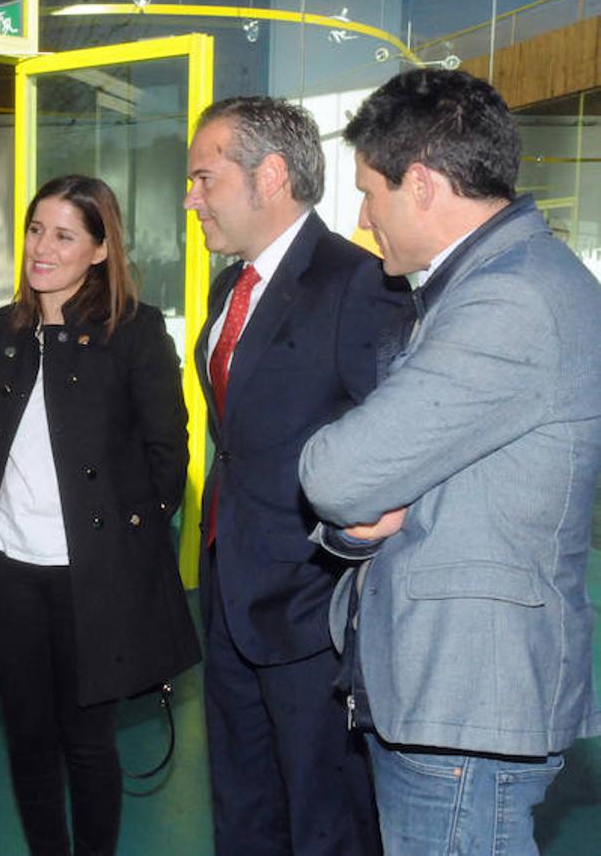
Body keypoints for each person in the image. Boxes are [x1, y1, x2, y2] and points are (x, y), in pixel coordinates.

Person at [300, 68, 601, 855]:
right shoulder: (486, 285)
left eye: (370, 193)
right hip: (449, 687)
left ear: (423, 184)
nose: (363, 220)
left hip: (468, 698)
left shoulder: (511, 299)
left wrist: (357, 487)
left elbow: (335, 473)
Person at [182, 97, 401, 855]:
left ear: (268, 176)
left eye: (203, 179)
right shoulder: (225, 292)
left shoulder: (359, 284)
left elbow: (393, 453)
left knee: (324, 820)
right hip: (230, 596)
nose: (191, 198)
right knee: (242, 809)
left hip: (314, 615)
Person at [0, 175, 199, 856]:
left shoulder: (133, 332)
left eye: (63, 235)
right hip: (8, 567)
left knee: (87, 743)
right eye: (36, 230)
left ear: (98, 250)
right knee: (28, 741)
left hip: (88, 575)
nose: (42, 248)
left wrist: (125, 551)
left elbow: (166, 453)